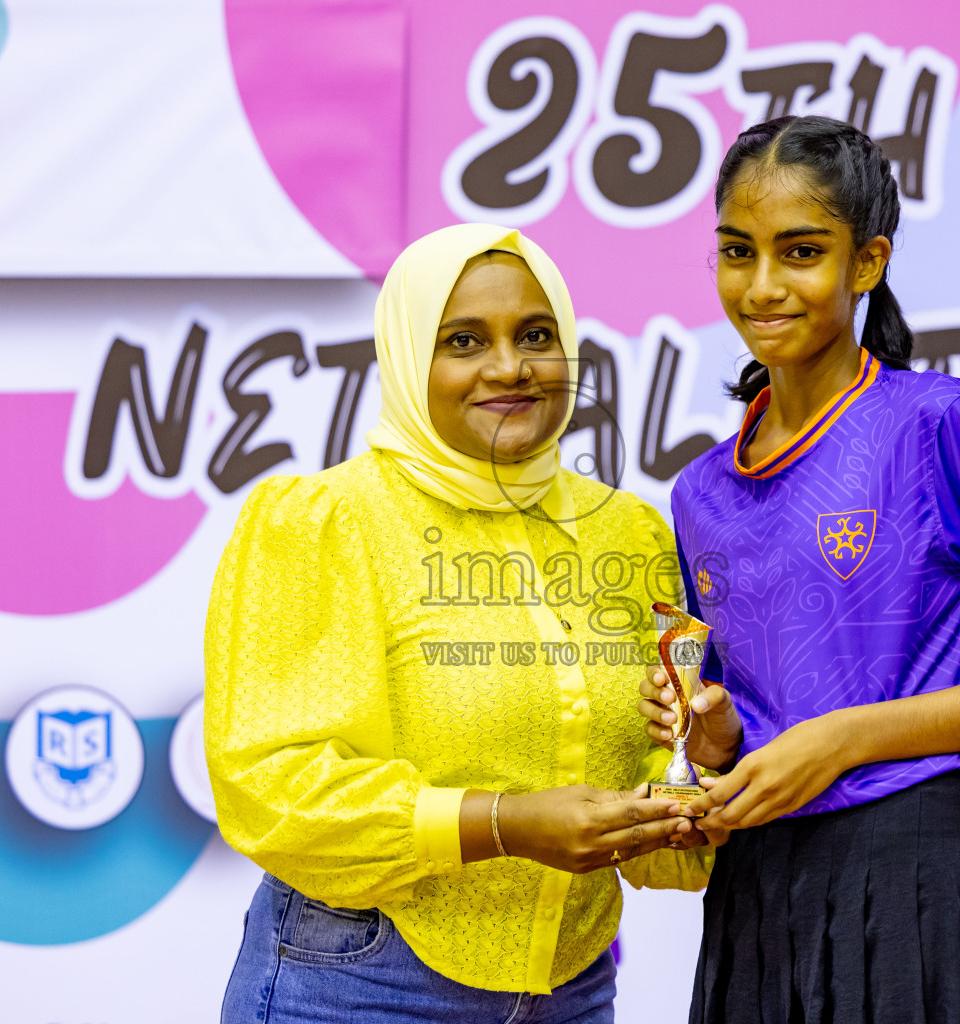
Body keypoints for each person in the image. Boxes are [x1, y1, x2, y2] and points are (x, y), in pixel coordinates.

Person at [637, 116, 960, 1024]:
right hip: (756, 895)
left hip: (916, 881)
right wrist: (708, 738)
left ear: (867, 264)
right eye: (738, 251)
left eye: (802, 252)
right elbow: (751, 732)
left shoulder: (937, 423)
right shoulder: (698, 491)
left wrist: (844, 739)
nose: (764, 284)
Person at [206, 223, 711, 1024]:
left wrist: (701, 758)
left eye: (537, 336)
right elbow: (273, 789)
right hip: (358, 982)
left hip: (571, 990)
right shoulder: (325, 523)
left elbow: (668, 771)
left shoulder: (632, 534)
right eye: (465, 340)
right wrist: (504, 824)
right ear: (409, 358)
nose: (509, 367)